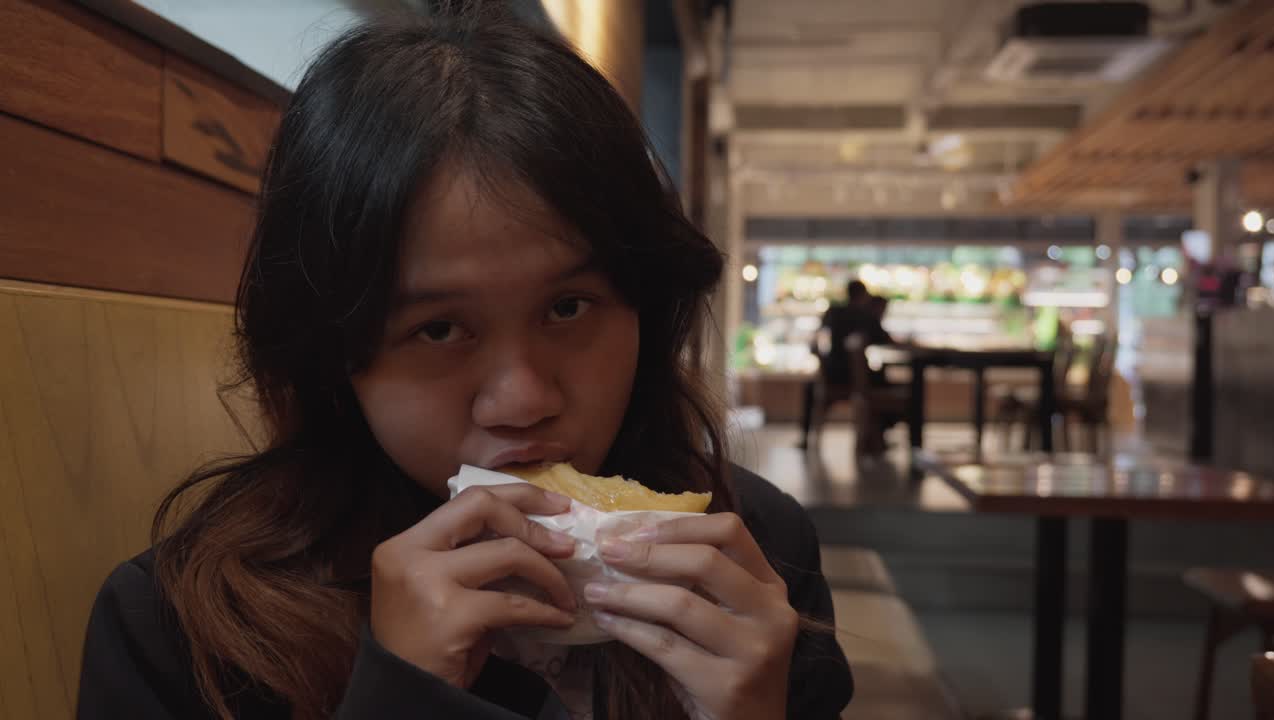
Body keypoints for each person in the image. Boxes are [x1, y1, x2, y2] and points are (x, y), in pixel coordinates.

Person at [76, 8, 852, 720]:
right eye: (439, 329)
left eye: (568, 308)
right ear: (335, 354)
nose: (521, 400)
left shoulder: (756, 554)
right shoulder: (182, 626)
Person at [796, 280, 871, 449]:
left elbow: (815, 340)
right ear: (863, 296)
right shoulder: (864, 314)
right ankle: (872, 441)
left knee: (810, 388)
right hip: (857, 378)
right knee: (877, 387)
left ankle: (806, 438)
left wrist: (820, 358)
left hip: (832, 371)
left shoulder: (834, 312)